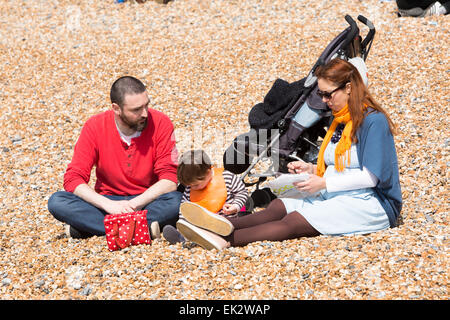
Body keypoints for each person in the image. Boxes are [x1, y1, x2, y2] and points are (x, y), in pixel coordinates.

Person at [175, 58, 403, 250]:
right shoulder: (342, 119)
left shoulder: (373, 122)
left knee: (293, 221)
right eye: (321, 95)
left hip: (372, 204)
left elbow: (371, 177)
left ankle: (222, 239)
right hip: (341, 193)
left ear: (349, 88)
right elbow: (341, 165)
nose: (324, 101)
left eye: (327, 95)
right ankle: (217, 224)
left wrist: (323, 183)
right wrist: (311, 169)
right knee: (279, 206)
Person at [47, 76, 182, 239]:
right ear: (116, 108)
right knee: (57, 201)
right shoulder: (94, 126)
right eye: (136, 110)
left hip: (147, 199)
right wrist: (109, 205)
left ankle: (93, 229)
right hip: (107, 201)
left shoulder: (161, 122)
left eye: (147, 105)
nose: (145, 113)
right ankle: (142, 229)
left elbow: (169, 179)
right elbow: (73, 178)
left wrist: (132, 205)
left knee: (177, 200)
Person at [162, 149, 249, 245]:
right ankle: (182, 237)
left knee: (229, 229)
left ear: (208, 172)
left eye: (195, 185)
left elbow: (242, 192)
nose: (192, 188)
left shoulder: (227, 177)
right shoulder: (190, 188)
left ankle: (214, 240)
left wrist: (236, 206)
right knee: (195, 230)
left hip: (227, 222)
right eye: (189, 186)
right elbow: (185, 208)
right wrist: (183, 225)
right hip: (202, 226)